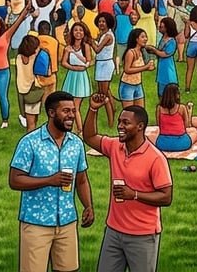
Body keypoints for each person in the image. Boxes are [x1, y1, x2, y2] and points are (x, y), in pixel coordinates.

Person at [83, 94, 172, 272]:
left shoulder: (155, 158)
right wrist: (93, 109)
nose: (120, 127)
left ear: (140, 127)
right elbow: (90, 137)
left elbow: (166, 197)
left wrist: (134, 194)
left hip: (142, 235)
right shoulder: (115, 146)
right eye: (119, 122)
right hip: (114, 231)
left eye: (125, 123)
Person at [8, 91, 94, 272]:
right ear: (51, 113)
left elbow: (82, 180)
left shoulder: (76, 144)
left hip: (67, 221)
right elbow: (15, 180)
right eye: (66, 111)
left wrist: (88, 206)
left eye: (73, 110)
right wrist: (49, 180)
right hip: (36, 223)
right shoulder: (30, 143)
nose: (71, 115)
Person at [61, 21, 94, 133]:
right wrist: (73, 67)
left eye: (80, 30)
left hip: (81, 78)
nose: (78, 32)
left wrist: (75, 54)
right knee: (71, 104)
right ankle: (75, 128)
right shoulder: (68, 47)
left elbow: (87, 61)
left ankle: (80, 130)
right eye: (76, 30)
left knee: (76, 106)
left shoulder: (86, 46)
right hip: (72, 75)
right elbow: (64, 63)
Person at [118, 28, 154, 109]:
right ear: (136, 39)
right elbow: (127, 69)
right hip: (127, 85)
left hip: (138, 85)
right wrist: (145, 67)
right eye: (143, 37)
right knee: (129, 113)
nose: (145, 39)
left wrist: (148, 67)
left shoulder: (141, 52)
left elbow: (139, 67)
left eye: (146, 37)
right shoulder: (131, 52)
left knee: (140, 112)